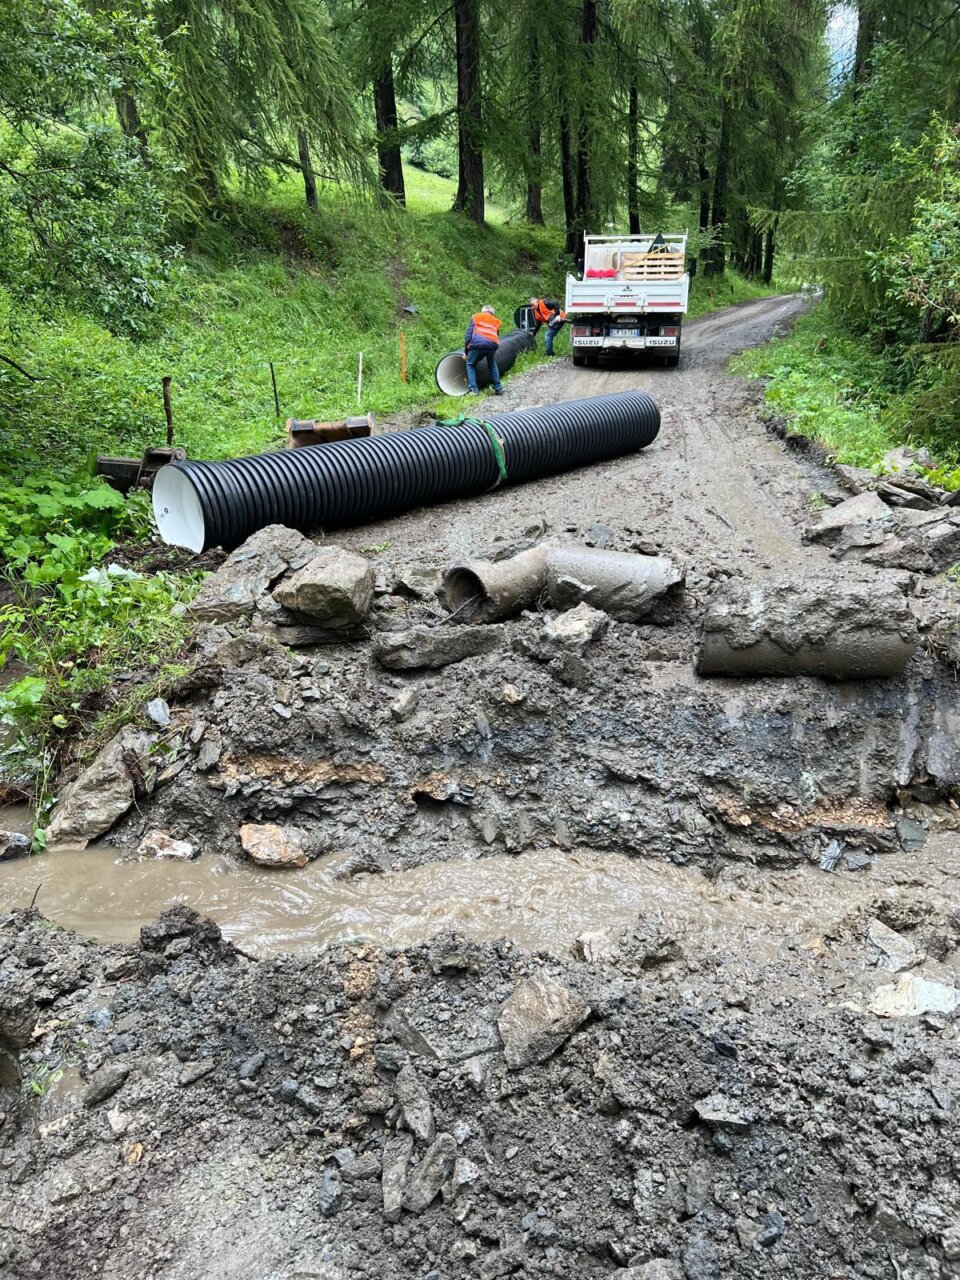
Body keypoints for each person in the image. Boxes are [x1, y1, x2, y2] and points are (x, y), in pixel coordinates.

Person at [464, 304, 503, 395]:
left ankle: (474, 390)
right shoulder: (495, 321)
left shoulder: (476, 317)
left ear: (483, 311)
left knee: (470, 364)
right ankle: (498, 388)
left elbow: (468, 335)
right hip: (492, 345)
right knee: (492, 364)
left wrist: (466, 352)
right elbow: (496, 335)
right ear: (492, 313)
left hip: (478, 344)